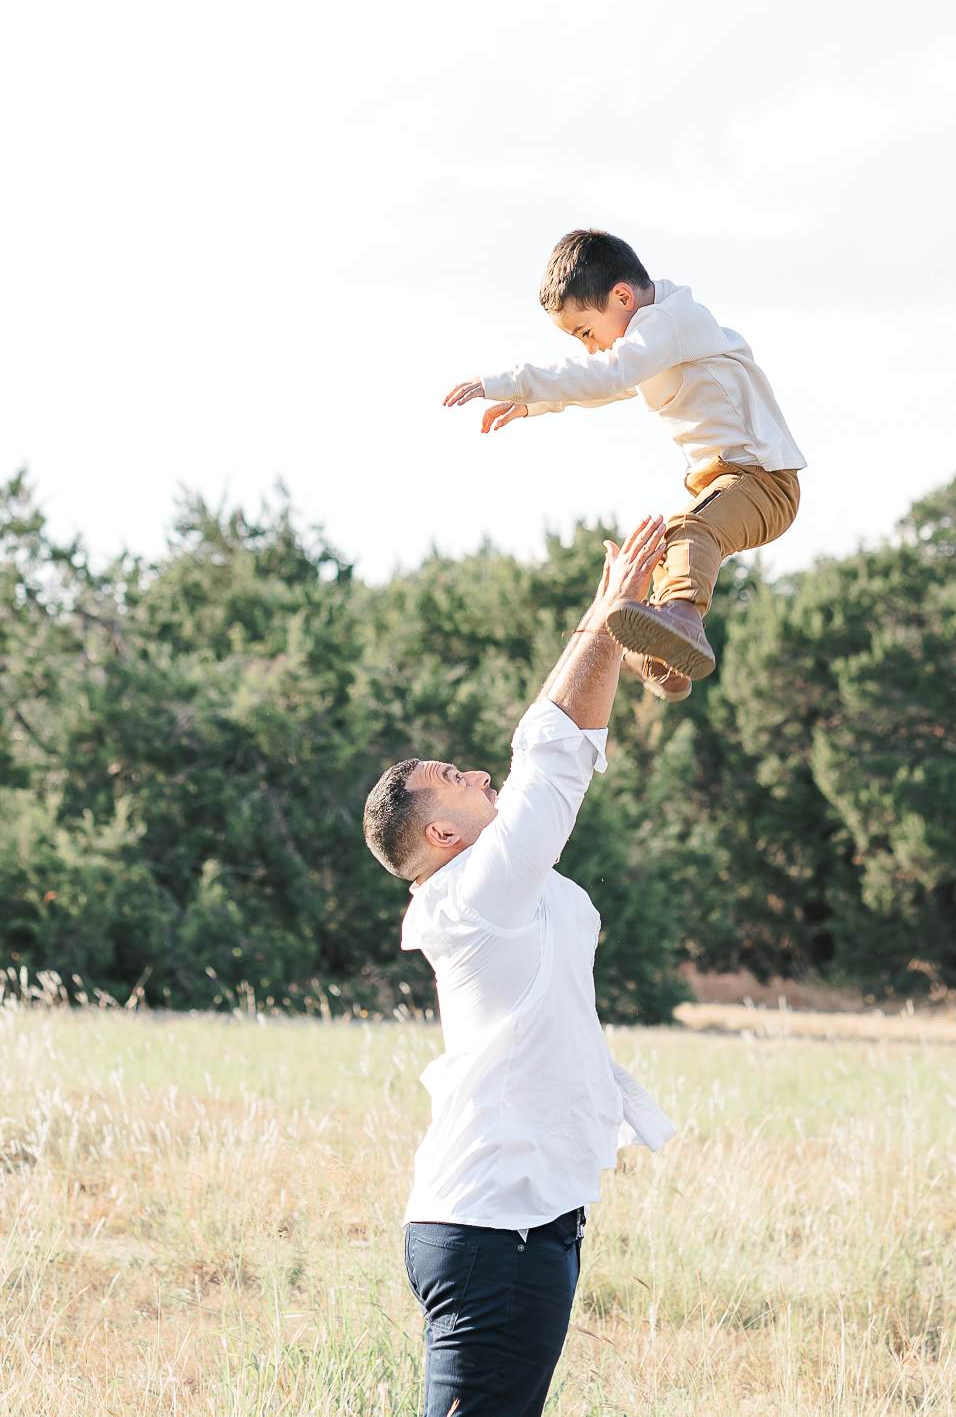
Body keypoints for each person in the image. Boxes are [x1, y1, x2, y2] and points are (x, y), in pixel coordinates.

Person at [363, 517, 676, 1417]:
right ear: (440, 834)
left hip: (527, 1226)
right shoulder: (471, 901)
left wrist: (603, 613)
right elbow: (551, 760)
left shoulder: (497, 887)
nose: (476, 773)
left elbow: (538, 749)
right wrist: (612, 613)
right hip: (490, 1229)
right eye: (454, 777)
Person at [443, 228, 806, 701]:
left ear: (622, 296)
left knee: (685, 533)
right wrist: (536, 405)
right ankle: (667, 662)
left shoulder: (669, 323)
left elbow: (610, 374)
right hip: (735, 483)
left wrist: (514, 383)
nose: (591, 348)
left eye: (587, 333)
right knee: (663, 552)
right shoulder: (657, 338)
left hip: (763, 480)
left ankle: (684, 624)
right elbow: (615, 384)